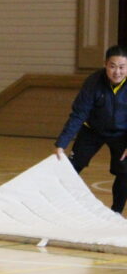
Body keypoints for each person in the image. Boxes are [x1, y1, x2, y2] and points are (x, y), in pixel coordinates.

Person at [54, 45, 127, 214]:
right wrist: (61, 144)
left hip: (121, 134)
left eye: (122, 67)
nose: (117, 72)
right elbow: (79, 114)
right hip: (92, 130)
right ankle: (60, 208)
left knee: (125, 171)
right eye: (113, 66)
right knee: (71, 167)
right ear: (105, 65)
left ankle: (116, 212)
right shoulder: (93, 82)